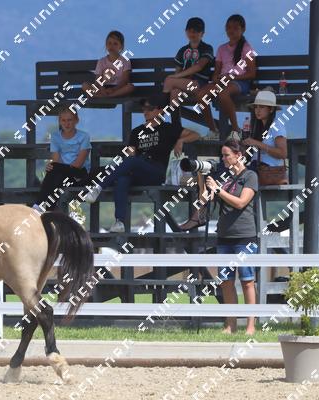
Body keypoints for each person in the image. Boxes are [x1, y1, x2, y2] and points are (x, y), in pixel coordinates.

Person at [83, 93, 200, 232]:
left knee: (132, 162)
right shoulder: (137, 131)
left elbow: (196, 134)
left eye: (149, 109)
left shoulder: (168, 128)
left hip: (156, 171)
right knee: (123, 178)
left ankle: (98, 187)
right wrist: (128, 156)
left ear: (160, 110)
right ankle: (119, 221)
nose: (145, 112)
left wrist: (181, 140)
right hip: (138, 169)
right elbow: (131, 153)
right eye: (143, 109)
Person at [201, 139, 259, 335]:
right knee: (225, 282)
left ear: (238, 155)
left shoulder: (250, 176)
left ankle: (250, 326)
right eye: (222, 155)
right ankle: (230, 324)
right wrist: (203, 178)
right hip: (224, 236)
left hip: (244, 236)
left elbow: (241, 202)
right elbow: (204, 200)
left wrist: (219, 190)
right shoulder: (223, 178)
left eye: (226, 155)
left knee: (247, 281)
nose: (223, 159)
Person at [195, 14, 256, 141]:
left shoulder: (246, 48)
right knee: (201, 95)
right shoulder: (221, 49)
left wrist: (232, 77)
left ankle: (236, 130)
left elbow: (252, 73)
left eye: (235, 28)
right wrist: (216, 78)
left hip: (240, 82)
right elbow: (216, 72)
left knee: (223, 94)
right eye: (228, 27)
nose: (231, 30)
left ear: (243, 29)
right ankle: (213, 130)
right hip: (223, 81)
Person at [36, 107, 91, 211]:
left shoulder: (84, 137)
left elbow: (78, 165)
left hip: (79, 175)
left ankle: (39, 205)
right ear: (59, 121)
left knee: (54, 169)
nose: (67, 124)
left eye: (70, 120)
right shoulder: (55, 137)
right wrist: (56, 167)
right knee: (56, 175)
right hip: (62, 174)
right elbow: (57, 160)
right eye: (63, 120)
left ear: (76, 120)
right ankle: (49, 211)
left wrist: (55, 167)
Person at [162, 17, 214, 108]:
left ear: (202, 33)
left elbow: (199, 66)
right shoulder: (182, 50)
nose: (192, 33)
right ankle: (175, 117)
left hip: (200, 85)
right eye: (190, 30)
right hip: (184, 85)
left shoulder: (207, 48)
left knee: (169, 80)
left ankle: (159, 110)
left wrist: (175, 77)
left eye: (196, 31)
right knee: (175, 92)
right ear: (186, 31)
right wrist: (176, 79)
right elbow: (178, 70)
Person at [82, 31, 134, 98]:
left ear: (121, 46)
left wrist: (114, 89)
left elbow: (125, 80)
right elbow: (98, 80)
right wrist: (102, 89)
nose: (111, 46)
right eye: (109, 43)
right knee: (85, 85)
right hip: (102, 88)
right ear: (106, 45)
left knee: (130, 87)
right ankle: (104, 96)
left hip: (118, 88)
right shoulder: (101, 61)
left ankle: (104, 97)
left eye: (115, 44)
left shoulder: (125, 61)